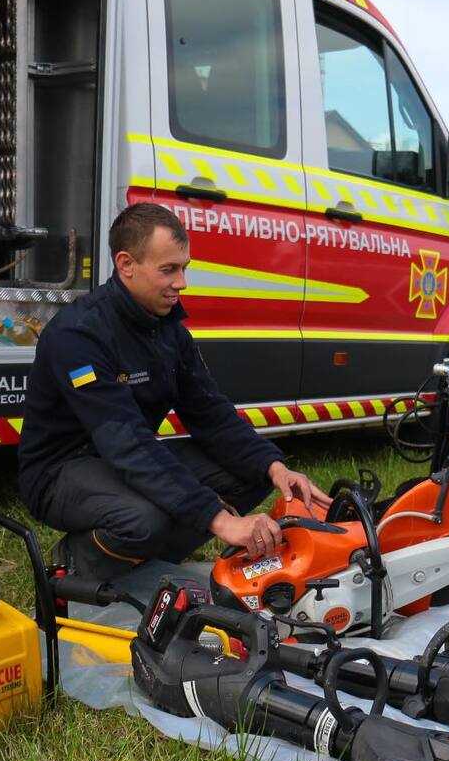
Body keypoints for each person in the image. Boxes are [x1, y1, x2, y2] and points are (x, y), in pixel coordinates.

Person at [18, 203, 329, 596]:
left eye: (184, 267)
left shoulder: (166, 328)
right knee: (144, 519)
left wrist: (274, 467)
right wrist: (220, 520)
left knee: (247, 472)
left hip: (122, 457)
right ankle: (78, 562)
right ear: (126, 264)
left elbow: (210, 412)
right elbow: (126, 442)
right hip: (61, 470)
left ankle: (143, 559)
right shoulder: (79, 335)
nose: (182, 282)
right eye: (169, 270)